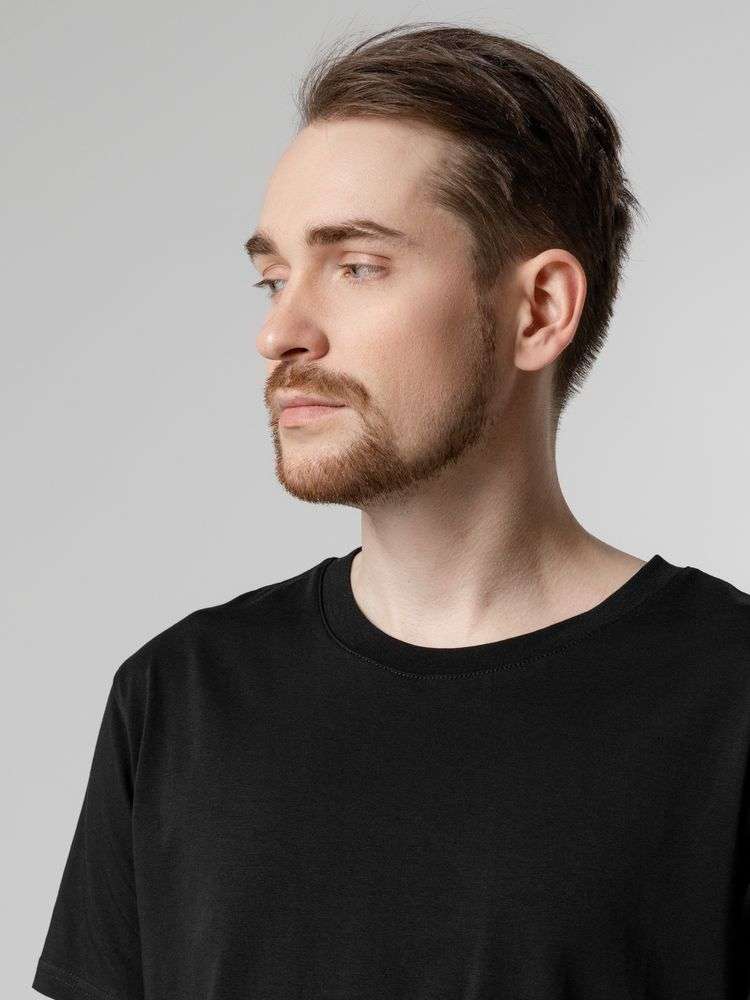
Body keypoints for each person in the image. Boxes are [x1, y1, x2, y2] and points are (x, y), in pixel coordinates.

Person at [32, 20, 750, 1000]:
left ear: (539, 309)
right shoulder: (178, 699)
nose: (280, 332)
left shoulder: (728, 701)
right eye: (272, 277)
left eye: (357, 266)